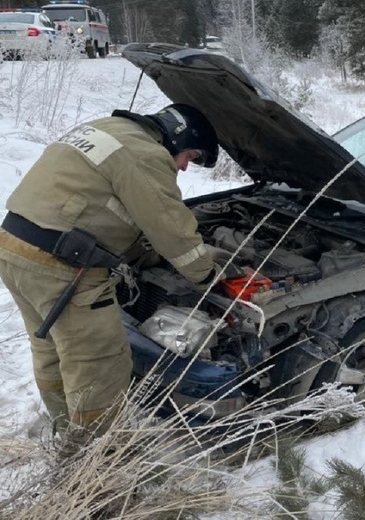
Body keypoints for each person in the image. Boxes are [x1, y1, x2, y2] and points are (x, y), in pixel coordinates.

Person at [0, 103, 222, 452]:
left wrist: (144, 256)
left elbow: (103, 207)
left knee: (52, 350)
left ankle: (66, 431)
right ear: (178, 137)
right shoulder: (146, 154)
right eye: (189, 156)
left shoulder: (107, 130)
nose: (182, 166)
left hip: (15, 247)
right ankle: (94, 465)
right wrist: (210, 275)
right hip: (63, 266)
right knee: (99, 365)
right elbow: (174, 233)